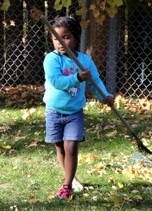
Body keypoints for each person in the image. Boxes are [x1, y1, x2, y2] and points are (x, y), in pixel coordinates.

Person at [43, 16, 114, 199]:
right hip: (53, 110)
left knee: (71, 146)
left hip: (74, 112)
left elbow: (94, 81)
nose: (60, 43)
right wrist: (77, 78)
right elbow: (57, 82)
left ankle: (67, 186)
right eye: (55, 39)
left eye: (65, 37)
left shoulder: (84, 61)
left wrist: (104, 96)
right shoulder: (51, 60)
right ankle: (71, 177)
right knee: (60, 146)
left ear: (75, 38)